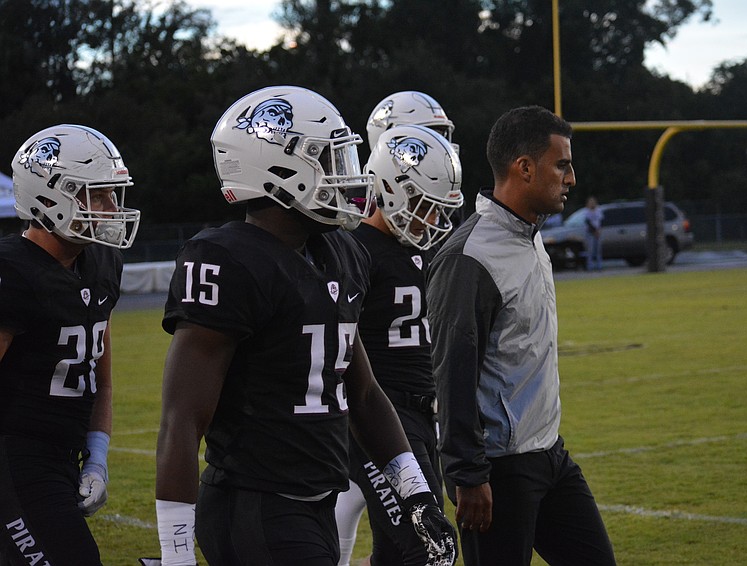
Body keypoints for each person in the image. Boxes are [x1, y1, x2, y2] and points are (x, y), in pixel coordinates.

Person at [151, 86, 456, 566]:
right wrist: (175, 552)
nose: (348, 177)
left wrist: (415, 493)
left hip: (315, 501)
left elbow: (365, 393)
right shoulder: (228, 260)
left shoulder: (341, 252)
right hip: (253, 504)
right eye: (331, 161)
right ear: (280, 169)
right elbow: (183, 419)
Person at [426, 106, 616, 566]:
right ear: (524, 168)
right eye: (562, 164)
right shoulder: (470, 257)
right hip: (499, 469)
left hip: (550, 455)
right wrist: (468, 475)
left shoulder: (530, 236)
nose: (571, 178)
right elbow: (452, 375)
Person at [0, 124, 141, 565]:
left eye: (112, 195)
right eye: (96, 195)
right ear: (47, 196)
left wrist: (96, 457)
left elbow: (103, 379)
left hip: (63, 458)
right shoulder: (13, 272)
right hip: (15, 461)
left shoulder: (101, 263)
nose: (110, 208)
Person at [335, 90, 459, 566]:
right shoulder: (354, 249)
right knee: (429, 548)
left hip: (426, 415)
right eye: (421, 204)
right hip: (378, 420)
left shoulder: (435, 243)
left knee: (394, 551)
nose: (431, 217)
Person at [584, 196, 603, 270]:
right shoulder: (586, 211)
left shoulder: (598, 210)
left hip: (598, 232)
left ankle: (599, 266)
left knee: (598, 250)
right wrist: (595, 231)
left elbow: (601, 220)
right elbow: (588, 222)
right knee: (590, 250)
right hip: (590, 232)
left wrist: (599, 230)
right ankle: (590, 266)